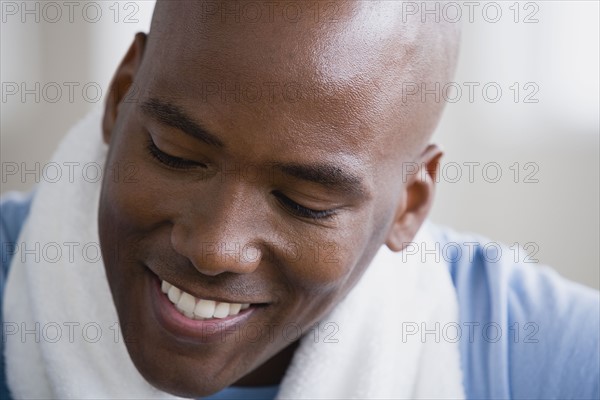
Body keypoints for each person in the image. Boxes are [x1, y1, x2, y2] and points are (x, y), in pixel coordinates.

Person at [1, 1, 598, 399]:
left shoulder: (538, 357)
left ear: (409, 205)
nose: (214, 248)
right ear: (121, 96)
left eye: (305, 203)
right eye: (175, 154)